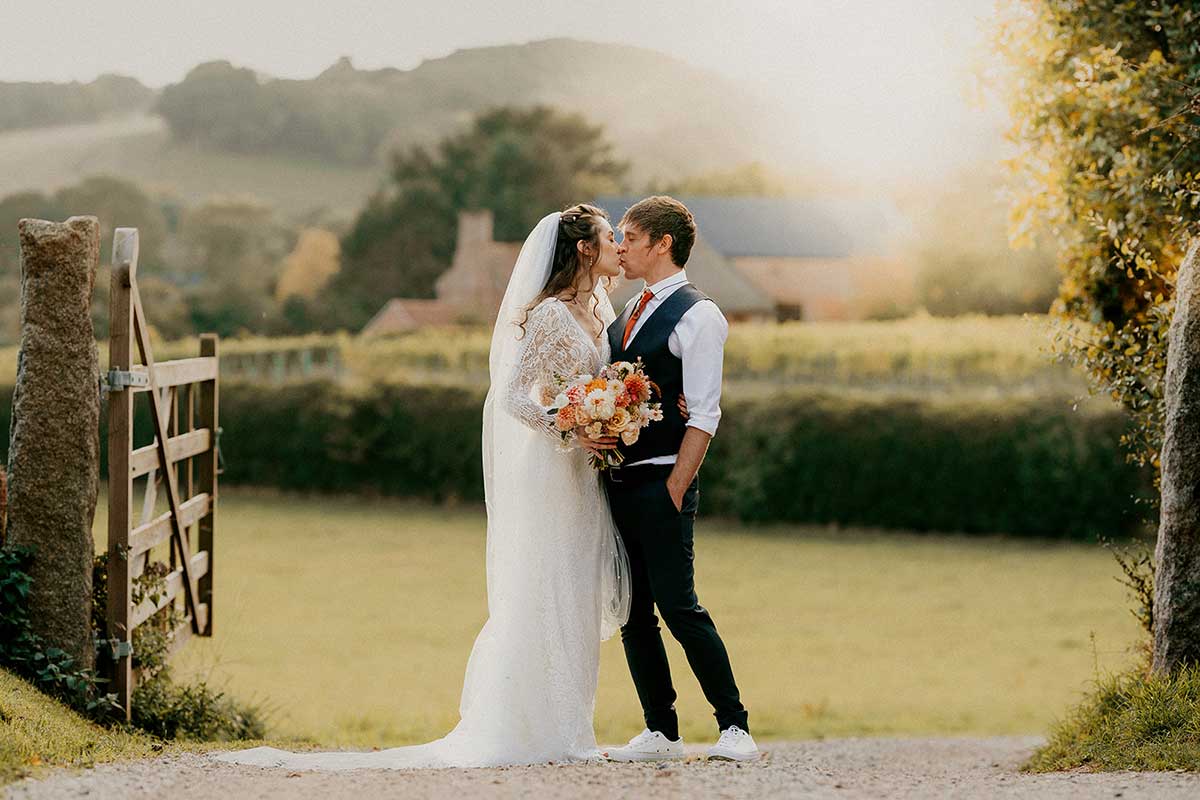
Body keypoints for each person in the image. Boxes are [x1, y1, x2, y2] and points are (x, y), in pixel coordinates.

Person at [212, 204, 666, 769]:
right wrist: (571, 427)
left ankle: (573, 727)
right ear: (584, 249)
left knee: (575, 591)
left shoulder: (601, 310)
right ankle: (535, 727)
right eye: (609, 237)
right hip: (554, 470)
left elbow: (596, 383)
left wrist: (609, 415)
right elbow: (514, 397)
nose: (620, 247)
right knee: (545, 589)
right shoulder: (549, 316)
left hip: (584, 475)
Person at [588, 196, 759, 763]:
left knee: (679, 606)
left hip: (663, 481)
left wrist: (675, 488)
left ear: (662, 244)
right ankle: (660, 731)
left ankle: (735, 728)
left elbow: (705, 412)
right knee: (633, 610)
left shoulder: (699, 314)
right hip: (617, 482)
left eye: (630, 237)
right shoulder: (623, 315)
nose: (620, 246)